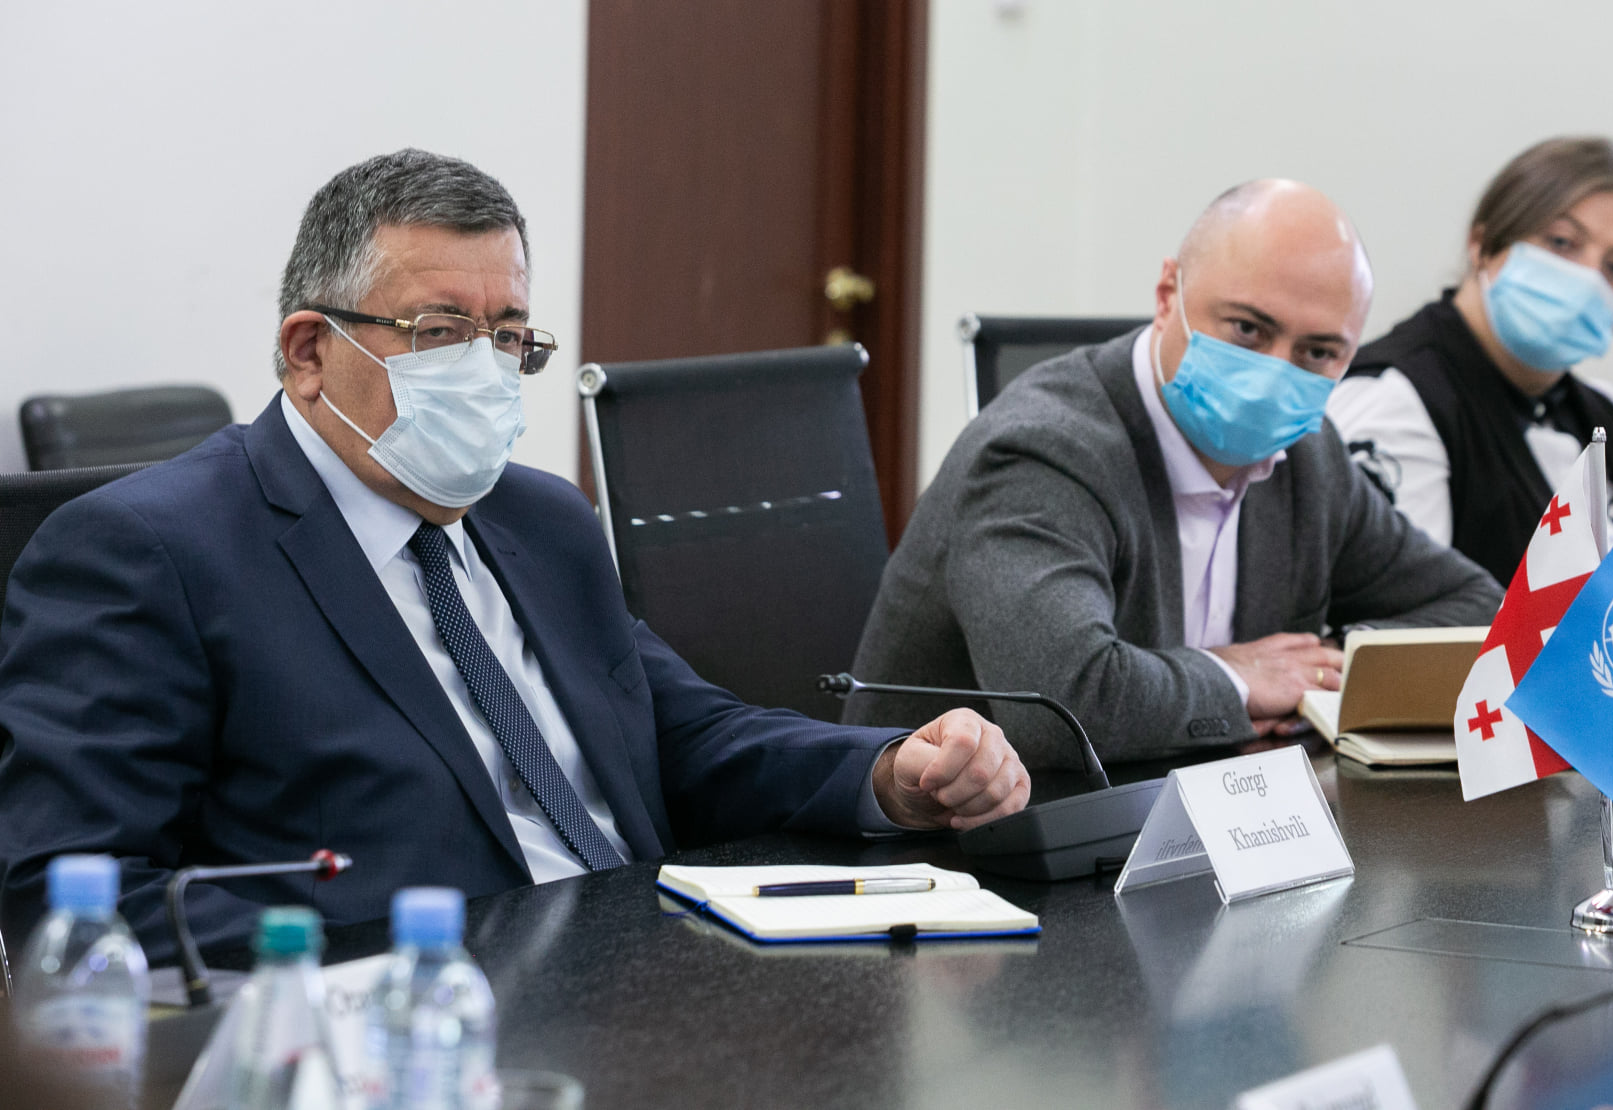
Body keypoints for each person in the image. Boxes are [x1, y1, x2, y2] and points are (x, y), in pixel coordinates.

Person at [0, 150, 1029, 963]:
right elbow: (68, 896)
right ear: (310, 352)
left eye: (506, 336)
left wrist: (889, 772)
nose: (484, 370)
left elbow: (682, 734)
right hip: (415, 1018)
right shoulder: (149, 553)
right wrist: (393, 963)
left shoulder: (540, 518)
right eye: (439, 330)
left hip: (657, 969)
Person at [845, 180, 1502, 768]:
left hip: (1206, 823)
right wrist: (1238, 682)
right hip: (967, 842)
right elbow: (1061, 709)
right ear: (1168, 295)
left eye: (1318, 352)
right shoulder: (1041, 450)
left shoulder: (1310, 455)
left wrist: (1321, 666)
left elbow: (1477, 608)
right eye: (1248, 329)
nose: (1275, 372)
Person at [1328, 137, 1613, 627]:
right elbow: (1418, 622)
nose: (1587, 280)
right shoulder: (1395, 398)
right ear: (1483, 243)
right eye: (1561, 243)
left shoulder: (1609, 415)